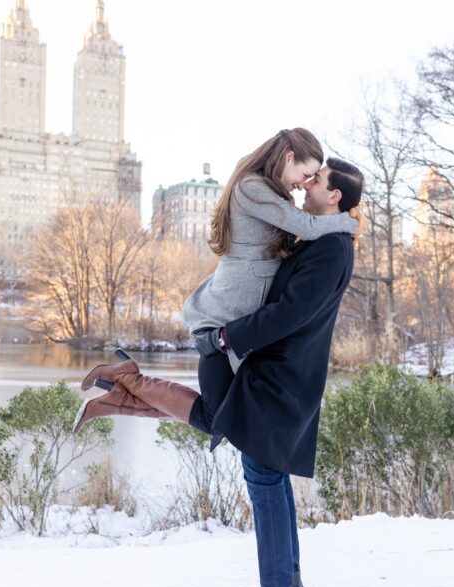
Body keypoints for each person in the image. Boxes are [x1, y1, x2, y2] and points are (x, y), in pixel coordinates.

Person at [75, 158, 366, 587]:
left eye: (316, 180)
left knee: (263, 476)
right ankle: (288, 586)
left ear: (335, 196)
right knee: (261, 465)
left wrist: (227, 336)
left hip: (281, 375)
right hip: (277, 370)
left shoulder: (332, 248)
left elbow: (290, 312)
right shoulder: (322, 240)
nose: (307, 184)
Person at [73, 128, 358, 431]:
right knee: (217, 420)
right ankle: (127, 381)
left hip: (238, 318)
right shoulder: (253, 187)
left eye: (313, 179)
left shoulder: (273, 193)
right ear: (289, 157)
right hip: (223, 317)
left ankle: (121, 390)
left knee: (220, 418)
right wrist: (349, 219)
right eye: (306, 173)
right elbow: (307, 226)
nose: (303, 185)